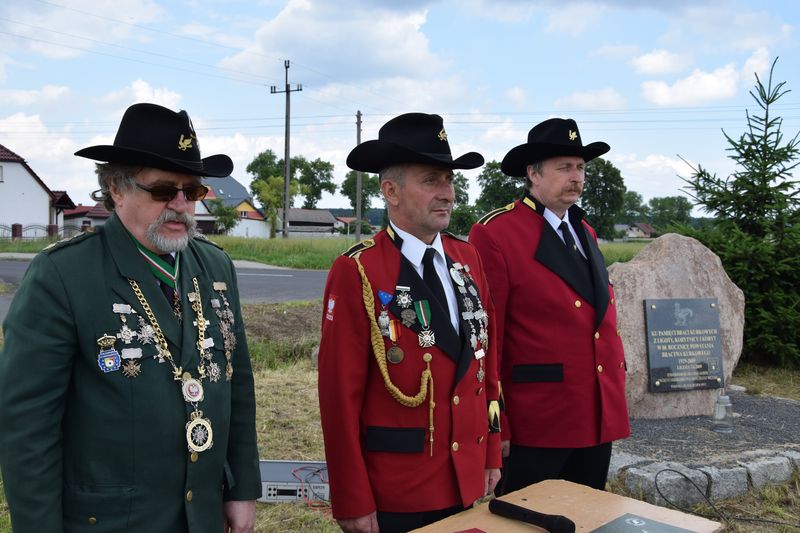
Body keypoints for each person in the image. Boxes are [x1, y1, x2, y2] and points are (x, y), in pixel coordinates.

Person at [0, 103, 261, 532]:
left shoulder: (215, 268)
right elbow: (27, 430)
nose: (180, 205)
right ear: (116, 189)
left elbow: (238, 386)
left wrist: (242, 488)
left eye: (192, 191)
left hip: (203, 517)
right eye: (163, 191)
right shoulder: (64, 275)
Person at [318, 113, 502, 533]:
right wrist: (352, 497)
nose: (447, 194)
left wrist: (490, 452)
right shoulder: (359, 270)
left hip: (465, 477)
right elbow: (338, 398)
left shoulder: (467, 258)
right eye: (431, 180)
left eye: (449, 181)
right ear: (391, 191)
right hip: (399, 488)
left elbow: (484, 366)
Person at [469, 118, 630, 494]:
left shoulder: (583, 230)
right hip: (537, 419)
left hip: (594, 413)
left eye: (581, 168)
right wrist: (498, 424)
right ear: (533, 173)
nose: (576, 177)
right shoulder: (496, 233)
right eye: (564, 167)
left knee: (586, 516)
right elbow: (488, 340)